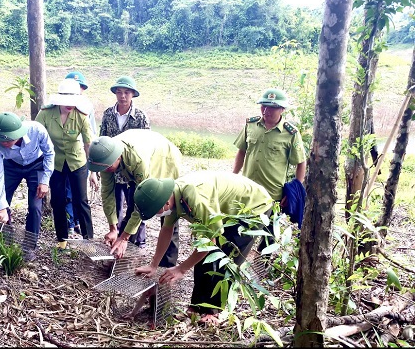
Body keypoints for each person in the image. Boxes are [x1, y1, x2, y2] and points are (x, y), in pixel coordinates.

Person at [133, 172, 273, 324]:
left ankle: (214, 310)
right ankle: (198, 304)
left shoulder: (194, 199)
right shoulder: (171, 196)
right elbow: (167, 230)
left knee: (227, 258)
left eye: (155, 212)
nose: (156, 215)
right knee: (201, 254)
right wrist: (154, 264)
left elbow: (209, 242)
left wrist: (181, 269)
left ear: (166, 203)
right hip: (225, 209)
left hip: (253, 207)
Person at [87, 130, 181, 267]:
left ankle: (167, 265)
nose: (106, 171)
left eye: (108, 168)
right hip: (141, 163)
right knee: (132, 206)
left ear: (117, 158)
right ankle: (124, 257)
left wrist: (124, 237)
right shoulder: (105, 159)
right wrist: (113, 228)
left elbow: (141, 208)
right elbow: (107, 194)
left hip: (164, 160)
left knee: (168, 213)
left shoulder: (137, 160)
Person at [232, 88, 306, 249]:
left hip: (273, 195)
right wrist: (233, 177)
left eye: (272, 107)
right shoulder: (251, 125)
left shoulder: (290, 133)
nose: (266, 111)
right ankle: (236, 266)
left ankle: (262, 270)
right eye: (263, 106)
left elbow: (301, 162)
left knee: (268, 238)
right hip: (247, 191)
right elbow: (241, 152)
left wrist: (295, 190)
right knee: (240, 233)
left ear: (282, 110)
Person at [35, 78, 98, 249]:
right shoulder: (46, 113)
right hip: (54, 162)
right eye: (66, 102)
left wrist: (93, 172)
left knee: (81, 201)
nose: (70, 105)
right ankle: (61, 239)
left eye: (73, 101)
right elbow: (36, 136)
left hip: (77, 162)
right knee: (58, 200)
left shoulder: (81, 116)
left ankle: (88, 240)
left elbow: (88, 144)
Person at [0, 112, 54, 261]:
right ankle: (5, 239)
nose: (4, 143)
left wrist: (45, 180)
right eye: (1, 140)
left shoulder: (37, 130)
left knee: (35, 206)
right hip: (11, 166)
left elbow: (50, 153)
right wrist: (3, 209)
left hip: (36, 165)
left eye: (8, 139)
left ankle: (29, 246)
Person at [98, 76, 150, 247]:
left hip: (134, 168)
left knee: (138, 204)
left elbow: (146, 144)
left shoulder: (140, 117)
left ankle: (137, 243)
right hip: (113, 168)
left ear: (133, 94)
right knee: (115, 205)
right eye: (119, 92)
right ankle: (117, 239)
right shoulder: (108, 114)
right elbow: (102, 139)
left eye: (126, 92)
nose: (122, 96)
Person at [64, 71, 97, 239]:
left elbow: (91, 136)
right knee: (66, 194)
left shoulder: (86, 107)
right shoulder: (57, 105)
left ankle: (80, 226)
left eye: (80, 88)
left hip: (80, 158)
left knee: (80, 195)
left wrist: (93, 169)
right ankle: (69, 225)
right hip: (62, 158)